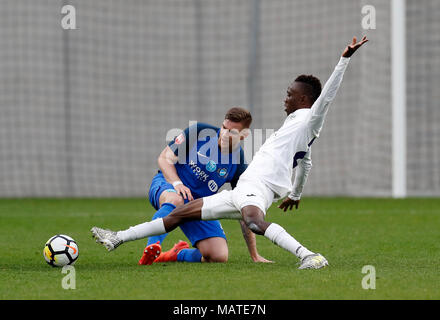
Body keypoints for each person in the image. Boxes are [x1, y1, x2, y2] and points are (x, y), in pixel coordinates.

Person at [92, 36, 368, 269]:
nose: (285, 98)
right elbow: (306, 162)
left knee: (255, 221)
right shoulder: (296, 126)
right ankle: (116, 237)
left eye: (289, 94)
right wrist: (296, 193)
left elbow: (327, 98)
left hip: (259, 187)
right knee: (180, 214)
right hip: (241, 191)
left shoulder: (310, 117)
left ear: (305, 99)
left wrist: (344, 59)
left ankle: (309, 256)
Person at [113, 107, 270, 265]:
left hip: (196, 205)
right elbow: (163, 158)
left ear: (244, 135)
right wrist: (177, 183)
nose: (224, 134)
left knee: (218, 256)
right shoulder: (199, 131)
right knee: (176, 200)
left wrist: (254, 254)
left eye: (231, 132)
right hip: (167, 185)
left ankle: (177, 253)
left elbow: (243, 207)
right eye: (224, 127)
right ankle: (151, 249)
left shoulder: (239, 163)